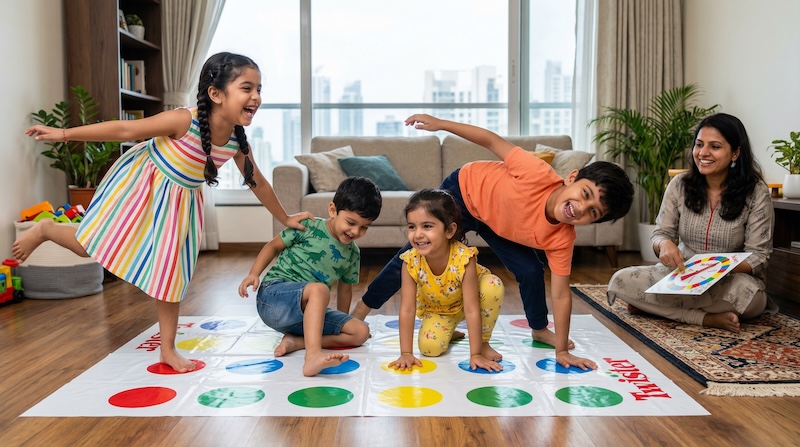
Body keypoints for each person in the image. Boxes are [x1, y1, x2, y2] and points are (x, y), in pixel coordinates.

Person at [15, 52, 312, 373]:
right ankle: (45, 229)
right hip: (144, 186)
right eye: (246, 88)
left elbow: (259, 183)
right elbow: (125, 131)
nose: (256, 97)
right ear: (215, 94)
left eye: (259, 89)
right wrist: (62, 134)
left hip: (181, 201)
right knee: (93, 247)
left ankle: (167, 349)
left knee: (172, 272)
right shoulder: (185, 120)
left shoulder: (237, 142)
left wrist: (285, 218)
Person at [353, 114, 634, 369]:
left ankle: (538, 327)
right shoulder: (535, 172)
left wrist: (562, 350)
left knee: (530, 269)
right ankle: (361, 311)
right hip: (463, 193)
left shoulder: (562, 238)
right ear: (571, 178)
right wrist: (441, 124)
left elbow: (561, 294)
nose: (582, 208)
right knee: (412, 255)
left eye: (593, 212)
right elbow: (490, 140)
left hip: (496, 222)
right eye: (585, 194)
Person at [607, 113, 775, 333]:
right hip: (680, 274)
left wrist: (715, 269)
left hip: (729, 279)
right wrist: (664, 245)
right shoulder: (679, 185)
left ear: (735, 153)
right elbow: (661, 233)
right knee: (620, 280)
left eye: (715, 146)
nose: (703, 153)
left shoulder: (756, 192)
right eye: (699, 144)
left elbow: (758, 256)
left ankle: (654, 306)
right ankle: (705, 318)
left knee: (750, 297)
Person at [238, 176, 381, 376]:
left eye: (364, 227)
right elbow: (273, 246)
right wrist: (254, 274)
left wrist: (342, 324)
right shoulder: (309, 226)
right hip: (273, 299)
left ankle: (297, 341)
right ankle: (312, 356)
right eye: (351, 222)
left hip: (303, 315)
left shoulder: (353, 253)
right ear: (333, 210)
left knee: (360, 332)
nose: (355, 231)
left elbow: (345, 289)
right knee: (320, 289)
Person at [388, 189, 505, 372]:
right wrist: (406, 353)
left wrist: (475, 355)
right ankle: (449, 332)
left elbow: (472, 308)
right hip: (439, 309)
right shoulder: (410, 261)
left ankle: (483, 343)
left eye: (427, 226)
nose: (417, 234)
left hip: (472, 301)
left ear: (449, 230)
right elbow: (408, 309)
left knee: (492, 285)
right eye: (412, 226)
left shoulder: (464, 258)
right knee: (429, 349)